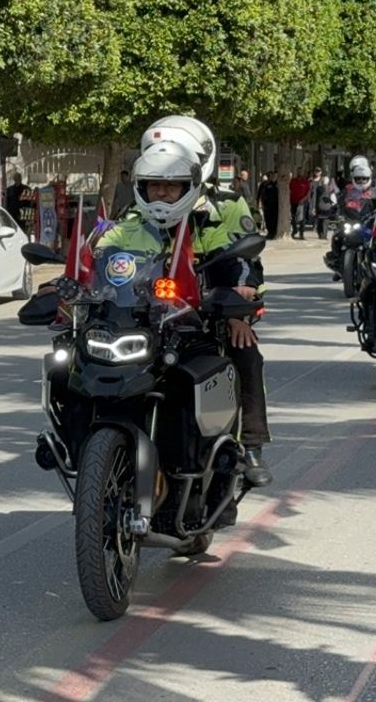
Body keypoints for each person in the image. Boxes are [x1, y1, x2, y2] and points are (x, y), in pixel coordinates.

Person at [123, 123, 272, 487]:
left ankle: (248, 446)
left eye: (171, 182)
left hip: (206, 316)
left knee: (245, 354)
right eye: (155, 181)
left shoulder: (225, 207)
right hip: (145, 319)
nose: (162, 188)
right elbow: (105, 256)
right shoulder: (133, 215)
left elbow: (243, 262)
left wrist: (241, 304)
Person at [256, 171, 280, 239]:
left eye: (273, 176)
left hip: (276, 206)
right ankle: (270, 232)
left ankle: (274, 232)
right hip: (267, 206)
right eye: (270, 176)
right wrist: (259, 202)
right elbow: (260, 194)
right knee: (268, 220)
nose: (271, 177)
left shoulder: (278, 184)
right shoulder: (265, 185)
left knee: (275, 220)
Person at [289, 171, 311, 239]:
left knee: (302, 218)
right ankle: (294, 230)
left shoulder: (306, 182)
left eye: (300, 172)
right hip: (293, 202)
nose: (299, 174)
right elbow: (289, 190)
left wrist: (303, 199)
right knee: (293, 217)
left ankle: (301, 233)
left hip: (302, 203)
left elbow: (308, 192)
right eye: (298, 172)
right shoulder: (293, 181)